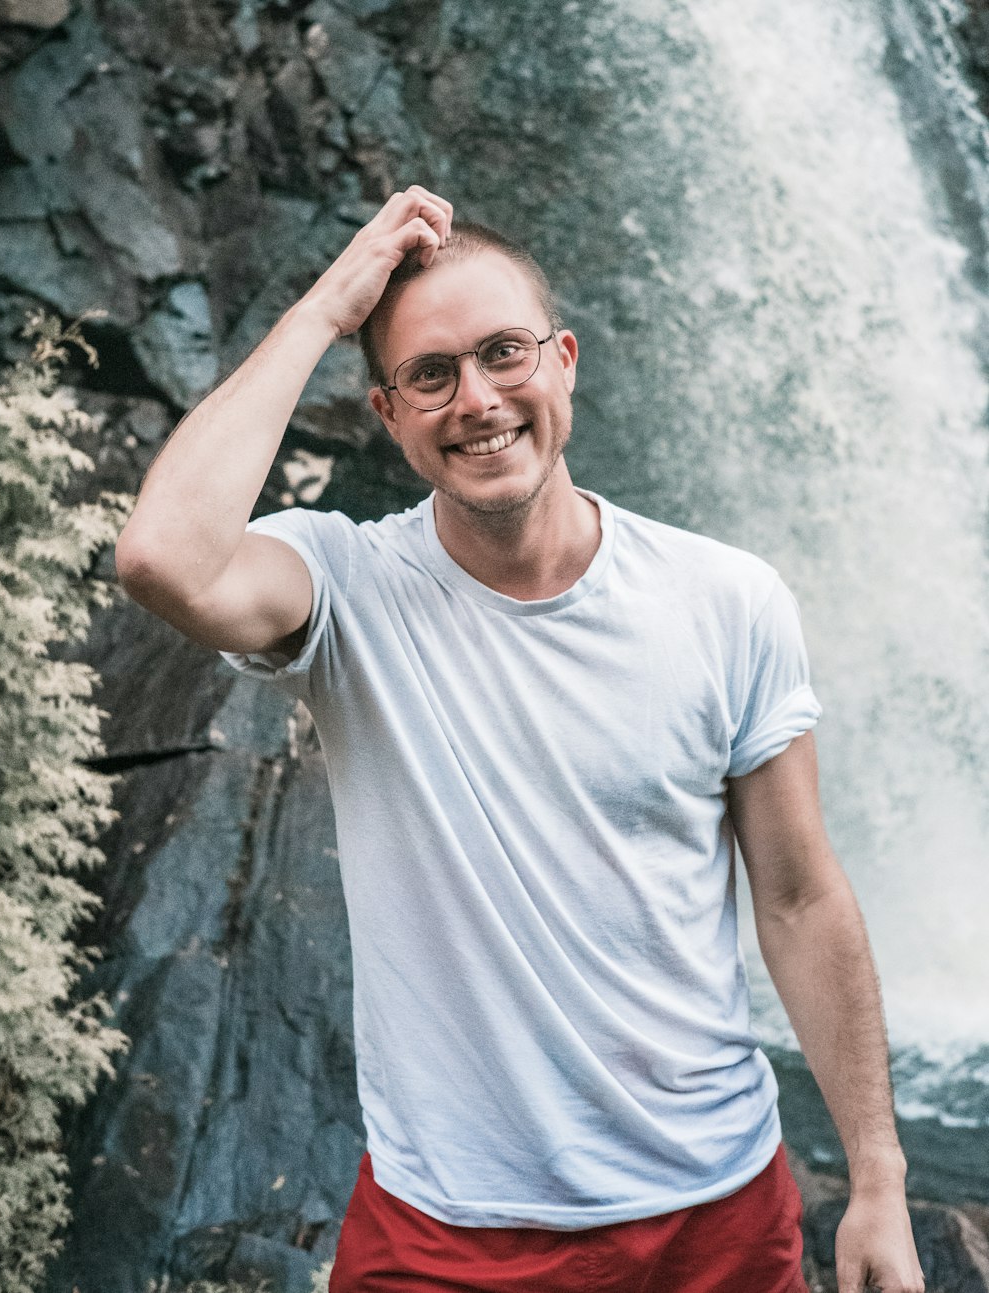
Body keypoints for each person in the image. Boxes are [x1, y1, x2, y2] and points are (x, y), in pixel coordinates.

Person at [116, 185, 924, 1293]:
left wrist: (876, 1177)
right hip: (445, 1233)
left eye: (504, 353)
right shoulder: (349, 589)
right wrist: (323, 309)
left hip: (715, 1220)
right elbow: (164, 559)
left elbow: (796, 897)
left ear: (566, 362)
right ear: (388, 414)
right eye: (430, 375)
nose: (478, 400)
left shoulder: (728, 598)